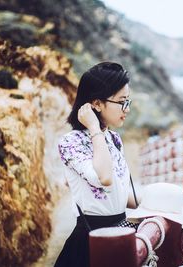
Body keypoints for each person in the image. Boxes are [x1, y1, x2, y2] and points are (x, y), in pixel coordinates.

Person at [55, 62, 136, 267]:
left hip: (121, 229)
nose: (126, 109)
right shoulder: (70, 143)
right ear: (97, 104)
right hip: (89, 239)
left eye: (128, 102)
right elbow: (105, 178)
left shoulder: (114, 139)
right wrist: (93, 127)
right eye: (121, 102)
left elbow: (119, 193)